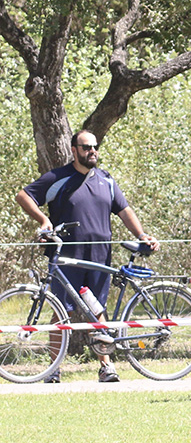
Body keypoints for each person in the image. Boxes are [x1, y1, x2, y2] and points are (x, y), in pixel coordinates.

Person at [15, 130, 159, 383]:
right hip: (66, 256)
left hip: (99, 255)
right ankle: (53, 370)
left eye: (95, 147)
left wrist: (142, 234)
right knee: (61, 312)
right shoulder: (58, 177)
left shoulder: (106, 180)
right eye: (86, 147)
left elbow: (124, 210)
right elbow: (23, 196)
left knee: (97, 309)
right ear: (74, 150)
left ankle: (106, 367)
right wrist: (43, 219)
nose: (92, 151)